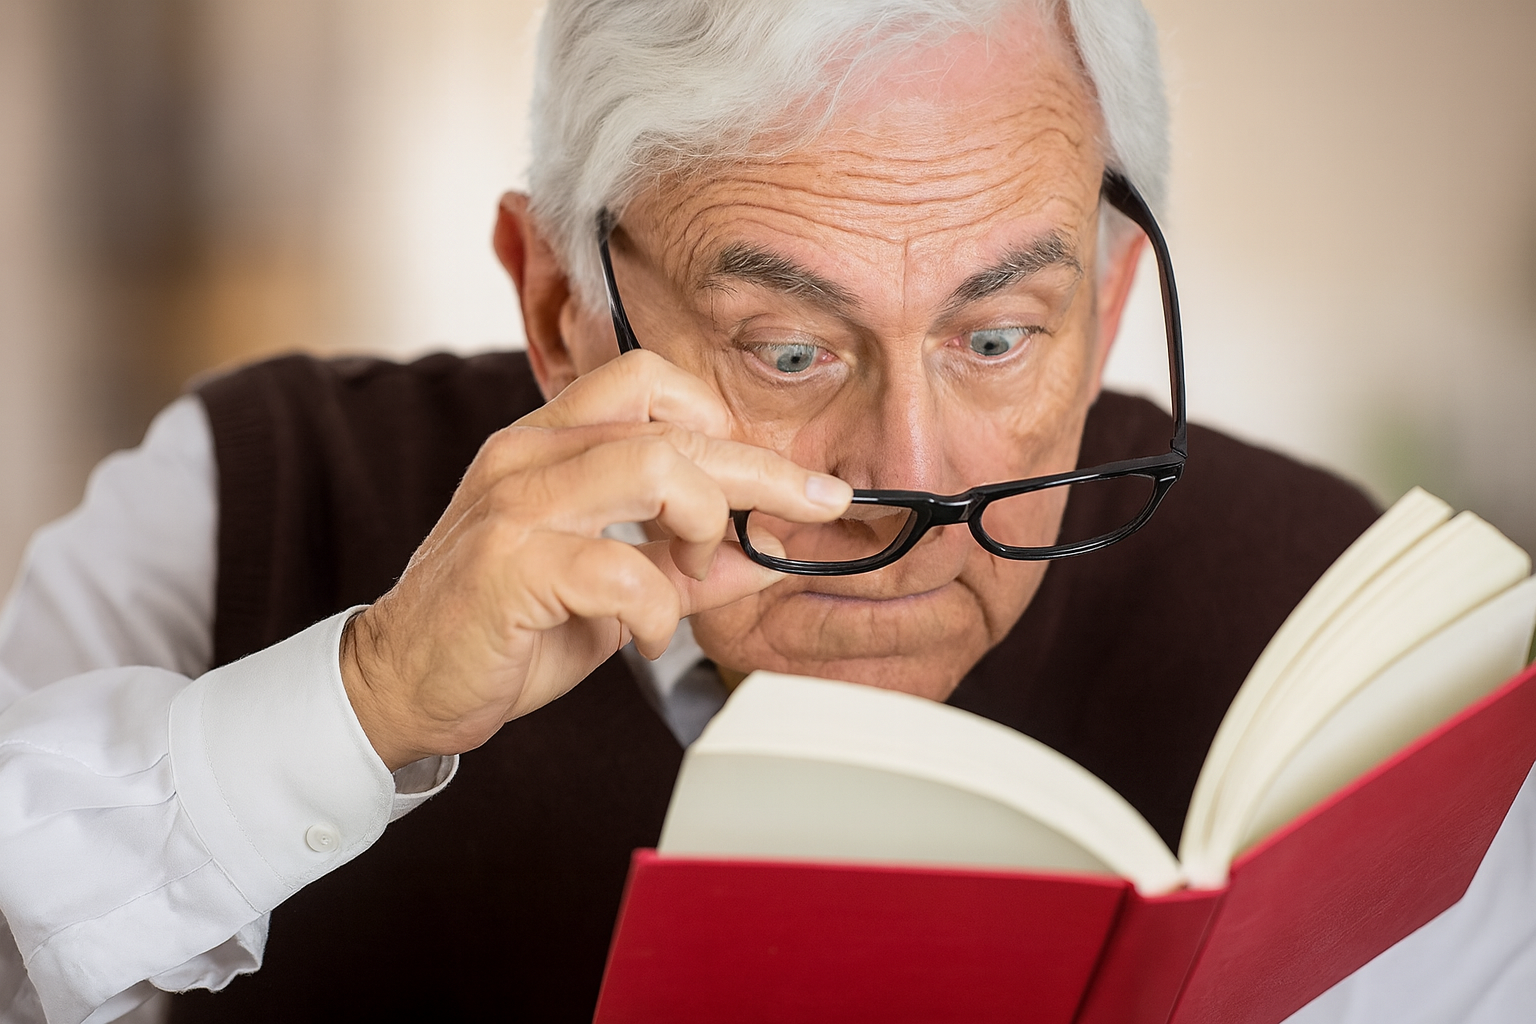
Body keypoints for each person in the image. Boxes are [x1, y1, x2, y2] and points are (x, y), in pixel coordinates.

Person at [0, 1, 1532, 1021]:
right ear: (559, 310)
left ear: (1114, 307)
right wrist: (369, 698)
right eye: (790, 350)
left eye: (999, 339)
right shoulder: (236, 499)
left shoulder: (1355, 646)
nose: (915, 489)